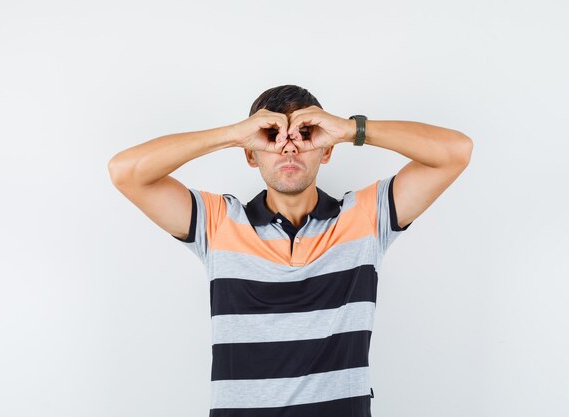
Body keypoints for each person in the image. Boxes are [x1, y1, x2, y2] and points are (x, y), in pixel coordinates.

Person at [107, 85, 473, 417]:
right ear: (251, 155)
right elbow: (125, 172)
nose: (289, 146)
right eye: (270, 136)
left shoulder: (364, 218)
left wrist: (350, 129)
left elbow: (456, 152)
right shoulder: (218, 223)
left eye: (306, 134)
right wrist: (234, 135)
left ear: (327, 149)